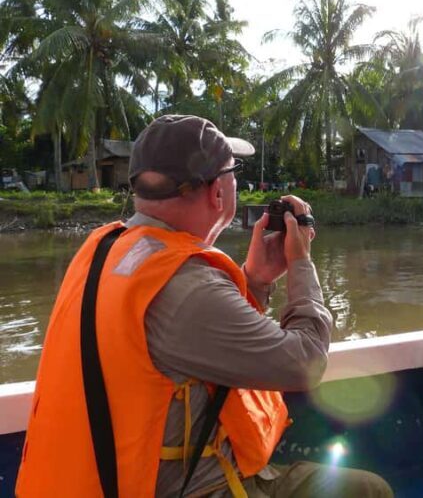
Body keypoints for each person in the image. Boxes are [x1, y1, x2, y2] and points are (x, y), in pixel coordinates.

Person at [16, 115, 393, 497]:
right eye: (233, 172)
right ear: (217, 193)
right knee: (367, 490)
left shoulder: (106, 250)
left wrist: (256, 280)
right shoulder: (186, 286)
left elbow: (193, 345)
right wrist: (300, 263)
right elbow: (306, 363)